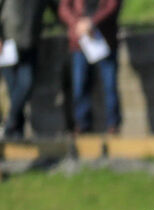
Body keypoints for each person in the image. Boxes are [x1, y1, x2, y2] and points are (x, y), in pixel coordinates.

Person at [58, 0, 122, 135]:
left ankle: (113, 125)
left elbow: (112, 6)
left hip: (104, 39)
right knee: (79, 86)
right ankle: (82, 125)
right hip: (80, 41)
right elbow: (64, 8)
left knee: (110, 85)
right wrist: (77, 24)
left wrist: (92, 22)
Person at [1, 0, 50, 139]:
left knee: (25, 85)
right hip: (7, 45)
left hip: (30, 45)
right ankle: (16, 131)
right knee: (14, 89)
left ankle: (11, 123)